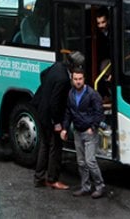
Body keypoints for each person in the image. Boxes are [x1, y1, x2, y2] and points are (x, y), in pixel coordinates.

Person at [31, 50, 85, 190]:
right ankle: (52, 179)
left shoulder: (57, 66)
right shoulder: (64, 80)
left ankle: (39, 177)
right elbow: (55, 103)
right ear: (73, 67)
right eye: (79, 67)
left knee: (44, 145)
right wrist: (57, 123)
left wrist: (46, 91)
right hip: (50, 116)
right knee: (55, 147)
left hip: (40, 109)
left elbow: (43, 75)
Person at [61, 67, 107, 199]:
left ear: (84, 79)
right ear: (72, 80)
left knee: (90, 161)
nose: (78, 81)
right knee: (81, 162)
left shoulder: (92, 94)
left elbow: (99, 112)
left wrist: (92, 127)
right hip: (77, 131)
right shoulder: (71, 94)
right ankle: (85, 187)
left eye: (80, 79)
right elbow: (68, 112)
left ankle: (100, 186)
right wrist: (65, 128)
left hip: (89, 132)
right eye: (75, 79)